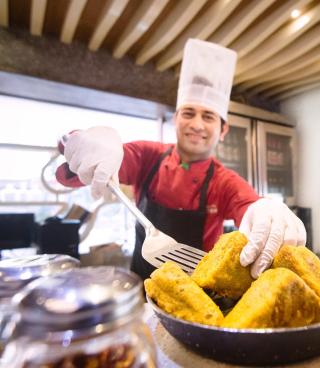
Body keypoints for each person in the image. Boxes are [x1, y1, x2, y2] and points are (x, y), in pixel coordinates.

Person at [56, 39, 306, 280]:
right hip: (143, 292)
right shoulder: (147, 156)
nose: (197, 124)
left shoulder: (225, 181)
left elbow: (249, 206)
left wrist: (265, 211)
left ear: (223, 130)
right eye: (189, 113)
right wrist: (87, 144)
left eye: (208, 116)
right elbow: (79, 172)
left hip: (199, 298)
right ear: (176, 119)